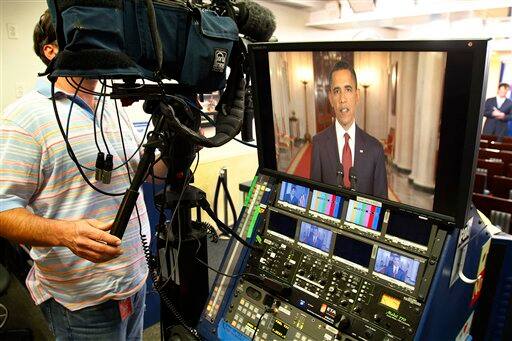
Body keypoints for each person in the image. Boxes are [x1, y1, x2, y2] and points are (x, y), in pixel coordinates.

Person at [0, 10, 166, 339]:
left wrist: (178, 149)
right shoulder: (24, 118)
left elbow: (145, 176)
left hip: (133, 282)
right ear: (51, 51)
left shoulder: (113, 105)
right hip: (81, 301)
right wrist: (65, 234)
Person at [310, 61, 388, 198]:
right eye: (337, 91)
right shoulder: (318, 143)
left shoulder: (375, 149)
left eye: (348, 89)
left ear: (357, 95)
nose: (342, 99)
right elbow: (314, 197)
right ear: (331, 99)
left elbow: (381, 205)